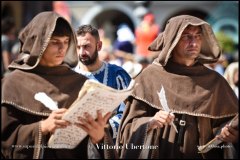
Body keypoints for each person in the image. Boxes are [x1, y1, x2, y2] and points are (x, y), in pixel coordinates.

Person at [117, 15, 238, 159]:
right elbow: (126, 131)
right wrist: (149, 122)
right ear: (172, 40)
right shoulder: (149, 77)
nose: (194, 42)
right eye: (186, 36)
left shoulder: (215, 81)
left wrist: (230, 134)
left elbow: (229, 124)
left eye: (197, 36)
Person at [1, 12, 114, 159]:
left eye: (66, 41)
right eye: (55, 42)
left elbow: (95, 144)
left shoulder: (81, 83)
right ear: (38, 44)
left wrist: (99, 137)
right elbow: (5, 140)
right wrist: (42, 127)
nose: (62, 48)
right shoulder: (11, 84)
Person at [73, 24, 132, 144]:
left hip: (108, 145)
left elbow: (129, 113)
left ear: (99, 46)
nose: (82, 52)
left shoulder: (117, 75)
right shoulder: (69, 77)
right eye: (78, 47)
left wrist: (104, 128)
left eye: (86, 46)